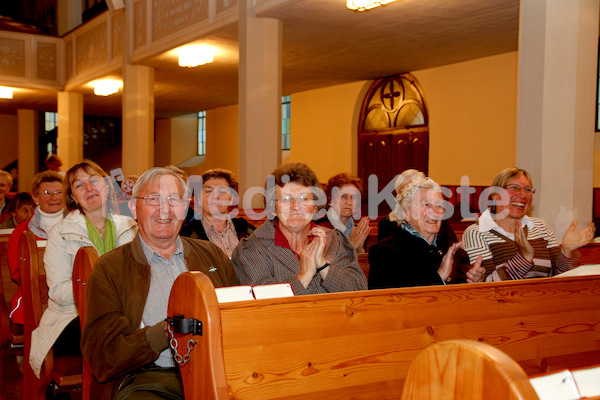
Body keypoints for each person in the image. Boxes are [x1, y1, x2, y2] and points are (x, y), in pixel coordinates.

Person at [82, 167, 238, 400]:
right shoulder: (111, 269)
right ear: (134, 208)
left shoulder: (211, 255)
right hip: (151, 376)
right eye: (153, 199)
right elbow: (105, 356)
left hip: (218, 368)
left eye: (174, 200)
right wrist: (165, 331)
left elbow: (237, 316)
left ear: (185, 208)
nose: (165, 209)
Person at [29, 160, 138, 378]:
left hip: (125, 313)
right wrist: (104, 293)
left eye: (94, 181)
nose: (89, 188)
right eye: (79, 185)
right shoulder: (60, 233)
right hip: (72, 317)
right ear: (73, 197)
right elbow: (58, 291)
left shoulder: (130, 227)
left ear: (107, 187)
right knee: (116, 330)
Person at [232, 162, 367, 295]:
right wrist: (304, 276)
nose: (295, 206)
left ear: (315, 207)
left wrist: (324, 266)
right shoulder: (252, 250)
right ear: (273, 208)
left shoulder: (335, 240)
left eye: (304, 198)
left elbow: (360, 292)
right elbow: (262, 305)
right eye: (286, 199)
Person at [462, 167, 596, 281]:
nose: (522, 195)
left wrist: (567, 250)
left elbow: (558, 278)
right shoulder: (476, 232)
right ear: (494, 196)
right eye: (514, 187)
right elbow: (488, 284)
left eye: (527, 189)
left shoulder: (541, 227)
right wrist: (525, 257)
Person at [368, 178, 485, 289]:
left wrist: (475, 280)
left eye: (439, 206)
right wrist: (439, 277)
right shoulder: (385, 253)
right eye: (426, 205)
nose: (435, 212)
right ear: (406, 213)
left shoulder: (455, 253)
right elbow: (389, 303)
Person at [7, 171, 65, 326]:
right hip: (35, 298)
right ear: (35, 198)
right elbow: (18, 273)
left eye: (59, 192)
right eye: (47, 193)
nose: (54, 197)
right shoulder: (21, 232)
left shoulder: (78, 225)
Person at [180, 168, 254, 258]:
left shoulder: (249, 231)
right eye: (209, 191)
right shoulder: (186, 236)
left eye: (222, 191)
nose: (215, 196)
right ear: (199, 199)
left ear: (232, 199)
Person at [316, 172, 370, 253]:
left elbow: (361, 264)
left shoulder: (356, 230)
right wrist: (351, 247)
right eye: (343, 196)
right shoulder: (320, 228)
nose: (349, 202)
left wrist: (360, 249)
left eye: (353, 197)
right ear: (330, 200)